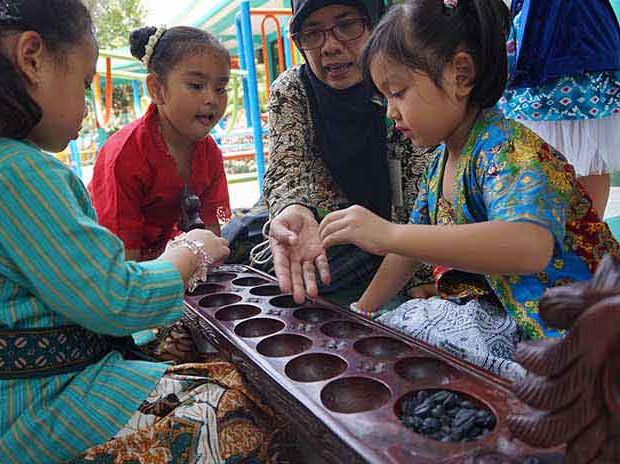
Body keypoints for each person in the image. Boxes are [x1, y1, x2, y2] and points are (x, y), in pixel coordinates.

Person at [0, 2, 294, 463]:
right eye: (82, 84)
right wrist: (187, 256)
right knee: (236, 406)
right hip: (31, 406)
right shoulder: (19, 174)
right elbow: (115, 299)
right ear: (32, 58)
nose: (85, 106)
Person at [318, 0, 620, 380]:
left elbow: (530, 247)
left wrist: (388, 232)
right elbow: (402, 254)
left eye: (397, 92)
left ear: (460, 74)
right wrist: (360, 316)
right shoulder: (441, 163)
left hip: (580, 330)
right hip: (520, 321)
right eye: (385, 98)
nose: (390, 112)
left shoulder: (506, 148)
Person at [263, 0, 436, 307]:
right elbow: (286, 167)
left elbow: (428, 187)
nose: (329, 47)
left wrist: (420, 271)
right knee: (281, 274)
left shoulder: (406, 83)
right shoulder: (292, 90)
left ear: (376, 24)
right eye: (312, 33)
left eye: (347, 25)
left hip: (412, 239)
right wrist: (293, 208)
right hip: (337, 238)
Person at [89, 25, 232, 262]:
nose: (212, 99)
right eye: (196, 86)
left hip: (160, 260)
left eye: (221, 88)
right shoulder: (126, 154)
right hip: (105, 264)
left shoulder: (209, 152)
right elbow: (121, 259)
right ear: (157, 89)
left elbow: (214, 225)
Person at [499, 0, 620, 217]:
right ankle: (555, 236)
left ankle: (590, 236)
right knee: (535, 158)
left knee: (591, 159)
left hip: (578, 29)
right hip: (540, 31)